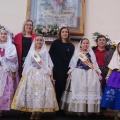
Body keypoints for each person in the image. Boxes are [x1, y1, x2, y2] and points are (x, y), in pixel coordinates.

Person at [11, 35, 59, 120]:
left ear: (43, 42)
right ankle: (33, 111)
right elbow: (27, 63)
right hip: (32, 74)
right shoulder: (31, 52)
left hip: (42, 74)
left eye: (41, 40)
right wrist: (25, 74)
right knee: (33, 92)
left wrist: (51, 76)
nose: (39, 42)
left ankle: (38, 112)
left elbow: (49, 65)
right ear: (35, 42)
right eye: (37, 40)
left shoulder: (45, 52)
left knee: (40, 93)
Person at [61, 38, 102, 115]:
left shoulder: (91, 53)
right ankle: (79, 110)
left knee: (88, 92)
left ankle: (86, 110)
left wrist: (99, 74)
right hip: (79, 74)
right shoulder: (77, 53)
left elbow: (95, 64)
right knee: (79, 91)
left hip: (90, 74)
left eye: (87, 43)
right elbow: (73, 65)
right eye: (84, 43)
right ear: (81, 44)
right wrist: (69, 75)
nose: (85, 45)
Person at [49, 26, 75, 108]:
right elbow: (50, 56)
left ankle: (62, 107)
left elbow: (72, 59)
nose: (65, 33)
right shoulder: (55, 43)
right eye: (63, 32)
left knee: (64, 87)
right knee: (57, 87)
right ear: (60, 33)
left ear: (68, 34)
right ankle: (56, 106)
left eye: (66, 32)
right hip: (57, 68)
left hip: (66, 69)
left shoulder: (71, 46)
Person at [0, 27, 19, 117]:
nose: (3, 35)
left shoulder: (11, 46)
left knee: (4, 91)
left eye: (5, 34)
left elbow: (13, 58)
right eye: (1, 34)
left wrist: (2, 59)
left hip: (7, 71)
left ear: (8, 36)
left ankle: (2, 109)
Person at [101, 42, 120, 120]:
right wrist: (108, 77)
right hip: (115, 76)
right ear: (118, 48)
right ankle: (118, 113)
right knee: (116, 95)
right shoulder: (115, 56)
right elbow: (111, 67)